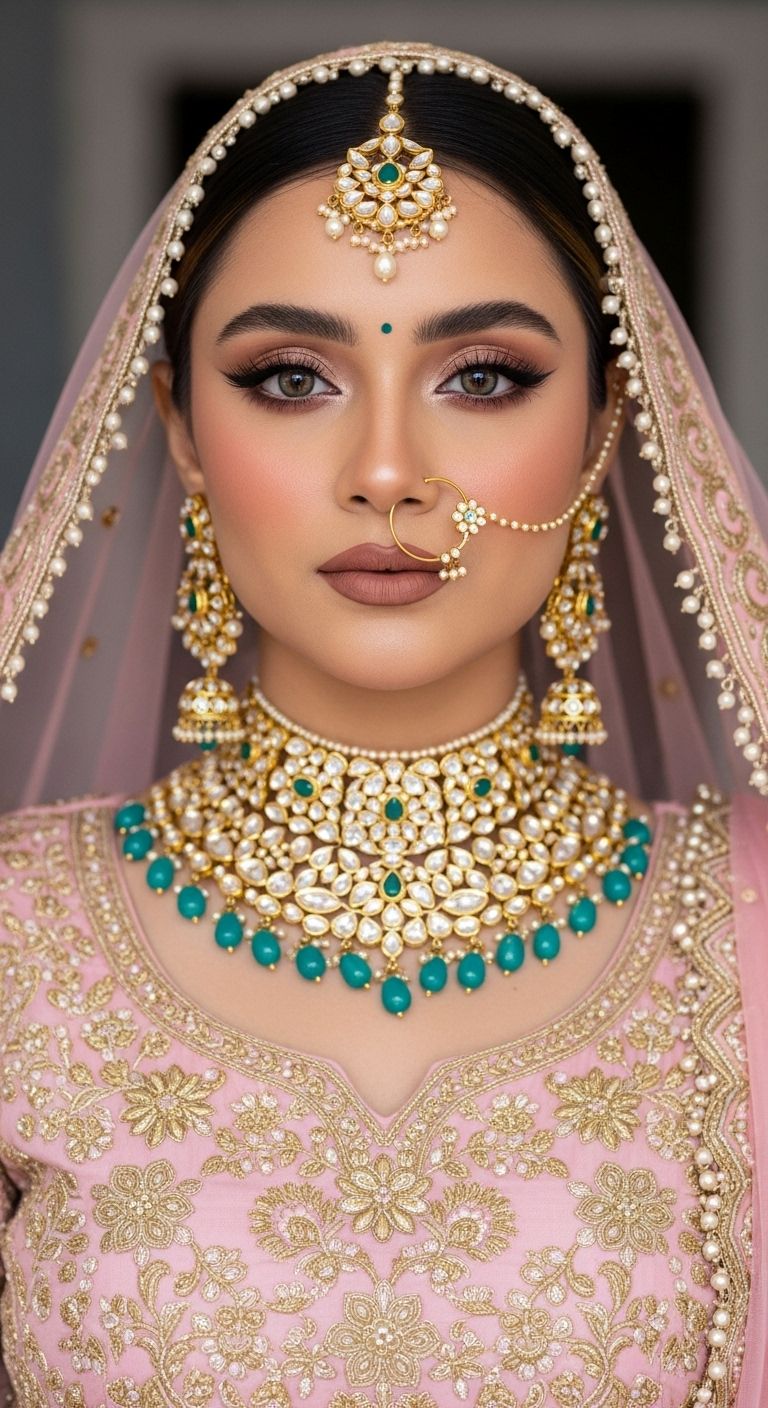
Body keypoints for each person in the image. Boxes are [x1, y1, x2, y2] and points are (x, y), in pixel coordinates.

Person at [0, 39, 766, 1407]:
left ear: (603, 427)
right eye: (293, 377)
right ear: (181, 427)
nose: (389, 472)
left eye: (485, 376)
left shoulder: (746, 927)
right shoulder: (18, 936)